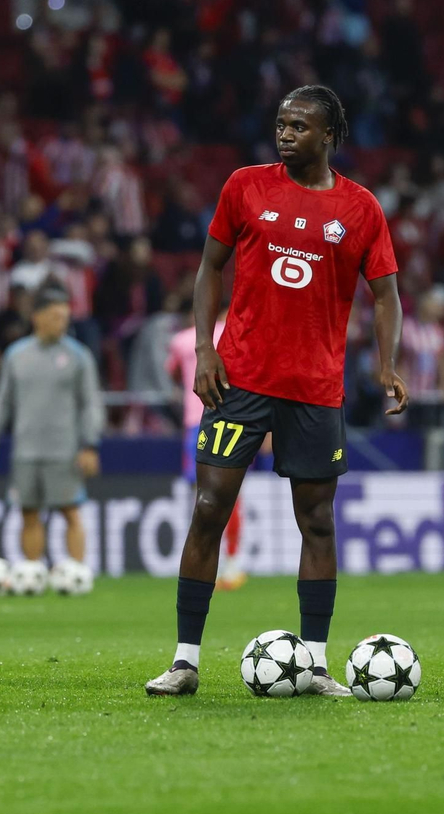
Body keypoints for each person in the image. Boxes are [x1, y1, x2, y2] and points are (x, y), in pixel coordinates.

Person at [145, 84, 407, 698]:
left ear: (329, 136)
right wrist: (207, 349)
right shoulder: (245, 186)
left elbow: (387, 294)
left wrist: (387, 363)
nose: (285, 133)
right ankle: (185, 661)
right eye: (281, 124)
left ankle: (314, 664)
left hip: (316, 388)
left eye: (298, 126)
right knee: (209, 508)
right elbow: (210, 267)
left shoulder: (361, 208)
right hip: (240, 380)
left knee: (316, 522)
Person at [0, 287, 102, 575]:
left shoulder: (79, 356)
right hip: (26, 450)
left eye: (66, 316)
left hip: (65, 450)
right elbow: (3, 401)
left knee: (70, 511)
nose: (63, 322)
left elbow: (90, 404)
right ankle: (33, 573)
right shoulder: (16, 355)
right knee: (28, 513)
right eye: (57, 316)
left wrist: (90, 444)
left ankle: (77, 573)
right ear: (38, 317)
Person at [168, 303, 246, 590]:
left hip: (195, 422)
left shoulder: (182, 339)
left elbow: (174, 374)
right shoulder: (240, 335)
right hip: (234, 421)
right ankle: (233, 563)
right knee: (233, 494)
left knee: (200, 496)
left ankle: (199, 562)